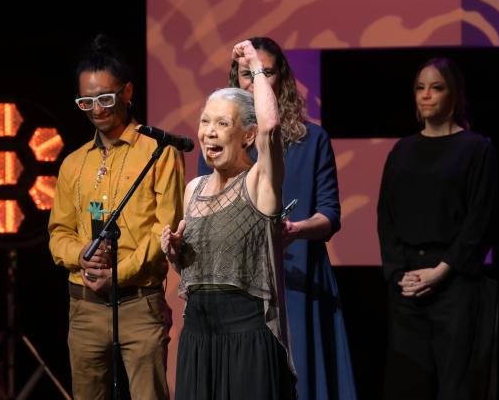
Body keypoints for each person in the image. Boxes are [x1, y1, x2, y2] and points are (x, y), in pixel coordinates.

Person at [198, 37, 357, 400]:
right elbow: (205, 210)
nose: (255, 81)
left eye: (265, 72)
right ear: (235, 80)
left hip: (296, 278)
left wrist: (296, 229)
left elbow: (330, 215)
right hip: (238, 281)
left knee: (299, 381)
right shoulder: (219, 144)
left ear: (281, 78)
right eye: (247, 74)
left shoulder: (312, 139)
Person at [48, 34, 185, 400]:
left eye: (106, 99)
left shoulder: (159, 152)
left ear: (127, 92)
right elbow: (58, 233)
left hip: (138, 303)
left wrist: (117, 274)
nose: (97, 110)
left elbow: (163, 231)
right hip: (85, 306)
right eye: (86, 102)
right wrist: (80, 255)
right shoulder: (74, 163)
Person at [162, 40, 296, 400]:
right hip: (198, 336)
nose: (209, 131)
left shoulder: (258, 183)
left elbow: (271, 127)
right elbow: (195, 271)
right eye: (205, 121)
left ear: (248, 135)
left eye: (223, 123)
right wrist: (175, 254)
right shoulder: (193, 189)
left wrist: (254, 66)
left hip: (245, 337)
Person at [377, 57, 498, 400]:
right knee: (407, 385)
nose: (426, 95)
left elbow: (480, 220)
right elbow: (386, 216)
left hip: (455, 284)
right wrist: (399, 273)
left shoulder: (477, 149)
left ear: (454, 95)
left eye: (436, 87)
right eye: (420, 88)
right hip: (407, 284)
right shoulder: (402, 150)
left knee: (456, 386)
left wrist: (441, 271)